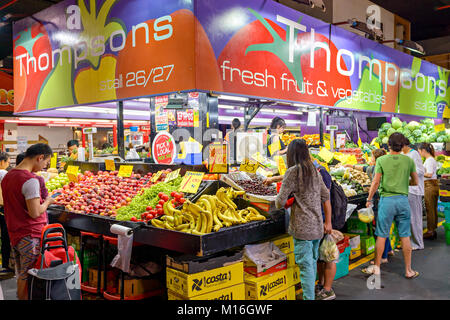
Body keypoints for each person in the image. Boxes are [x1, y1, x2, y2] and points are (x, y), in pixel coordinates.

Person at [275, 139, 332, 300]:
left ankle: (309, 297)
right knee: (312, 262)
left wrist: (277, 198)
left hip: (301, 228)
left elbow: (280, 202)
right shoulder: (314, 170)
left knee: (306, 267)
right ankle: (311, 294)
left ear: (291, 154)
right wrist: (328, 222)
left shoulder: (293, 171)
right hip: (316, 227)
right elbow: (325, 195)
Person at [1, 144, 55, 300]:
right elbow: (35, 212)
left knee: (22, 274)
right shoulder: (30, 180)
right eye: (46, 162)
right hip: (31, 235)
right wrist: (48, 202)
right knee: (31, 275)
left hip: (15, 233)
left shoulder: (8, 176)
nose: (45, 166)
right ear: (40, 157)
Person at [362, 133, 419, 279]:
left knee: (381, 235)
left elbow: (375, 182)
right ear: (403, 145)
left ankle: (377, 268)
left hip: (386, 201)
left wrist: (369, 199)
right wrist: (404, 184)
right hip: (402, 201)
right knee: (405, 235)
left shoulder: (381, 160)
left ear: (388, 145)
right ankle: (408, 270)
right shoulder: (408, 160)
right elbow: (416, 182)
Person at [346, 149, 395, 263]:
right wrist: (351, 166)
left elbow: (375, 183)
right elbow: (362, 168)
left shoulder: (375, 170)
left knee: (379, 229)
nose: (371, 160)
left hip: (379, 201)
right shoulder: (388, 169)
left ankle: (382, 257)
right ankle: (388, 250)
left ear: (377, 159)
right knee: (384, 227)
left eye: (372, 157)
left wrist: (369, 199)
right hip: (389, 200)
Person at [313, 159, 336, 300]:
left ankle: (328, 290)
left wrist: (327, 222)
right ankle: (321, 284)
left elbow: (325, 198)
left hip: (323, 219)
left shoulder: (322, 172)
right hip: (316, 220)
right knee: (320, 257)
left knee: (328, 256)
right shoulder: (309, 171)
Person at [402, 138, 425, 250]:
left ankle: (418, 243)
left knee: (415, 218)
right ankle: (410, 243)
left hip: (414, 190)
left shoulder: (414, 154)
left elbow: (420, 171)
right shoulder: (402, 154)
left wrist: (406, 172)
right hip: (405, 190)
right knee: (408, 218)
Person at [418, 143, 439, 240]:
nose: (419, 153)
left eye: (419, 151)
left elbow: (429, 174)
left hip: (430, 186)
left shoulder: (430, 160)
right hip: (431, 185)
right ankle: (432, 229)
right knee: (432, 208)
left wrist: (420, 173)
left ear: (423, 150)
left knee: (430, 209)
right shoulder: (430, 159)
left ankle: (430, 231)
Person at [0, 152, 13, 278]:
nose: (8, 165)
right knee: (5, 238)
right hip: (3, 209)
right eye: (8, 162)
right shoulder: (3, 173)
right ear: (2, 162)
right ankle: (5, 266)